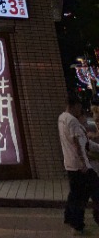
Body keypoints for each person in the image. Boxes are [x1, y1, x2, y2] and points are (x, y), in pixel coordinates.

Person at [59, 89, 99, 233]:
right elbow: (77, 142)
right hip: (80, 166)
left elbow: (84, 142)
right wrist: (83, 163)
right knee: (92, 191)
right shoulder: (72, 121)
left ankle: (72, 219)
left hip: (71, 164)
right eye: (79, 108)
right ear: (74, 105)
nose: (81, 111)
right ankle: (77, 223)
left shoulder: (62, 118)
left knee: (76, 194)